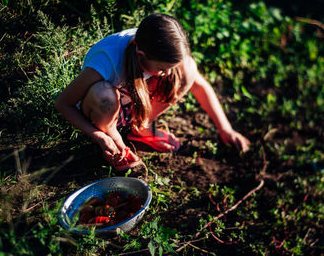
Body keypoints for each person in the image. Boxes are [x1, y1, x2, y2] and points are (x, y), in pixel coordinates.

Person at [55, 13, 250, 170]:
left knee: (187, 69)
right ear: (141, 55)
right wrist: (100, 135)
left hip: (131, 102)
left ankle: (141, 126)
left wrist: (225, 128)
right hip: (102, 111)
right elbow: (64, 104)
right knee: (103, 95)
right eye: (163, 68)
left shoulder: (157, 51)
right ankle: (115, 138)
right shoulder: (107, 60)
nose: (166, 74)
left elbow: (199, 85)